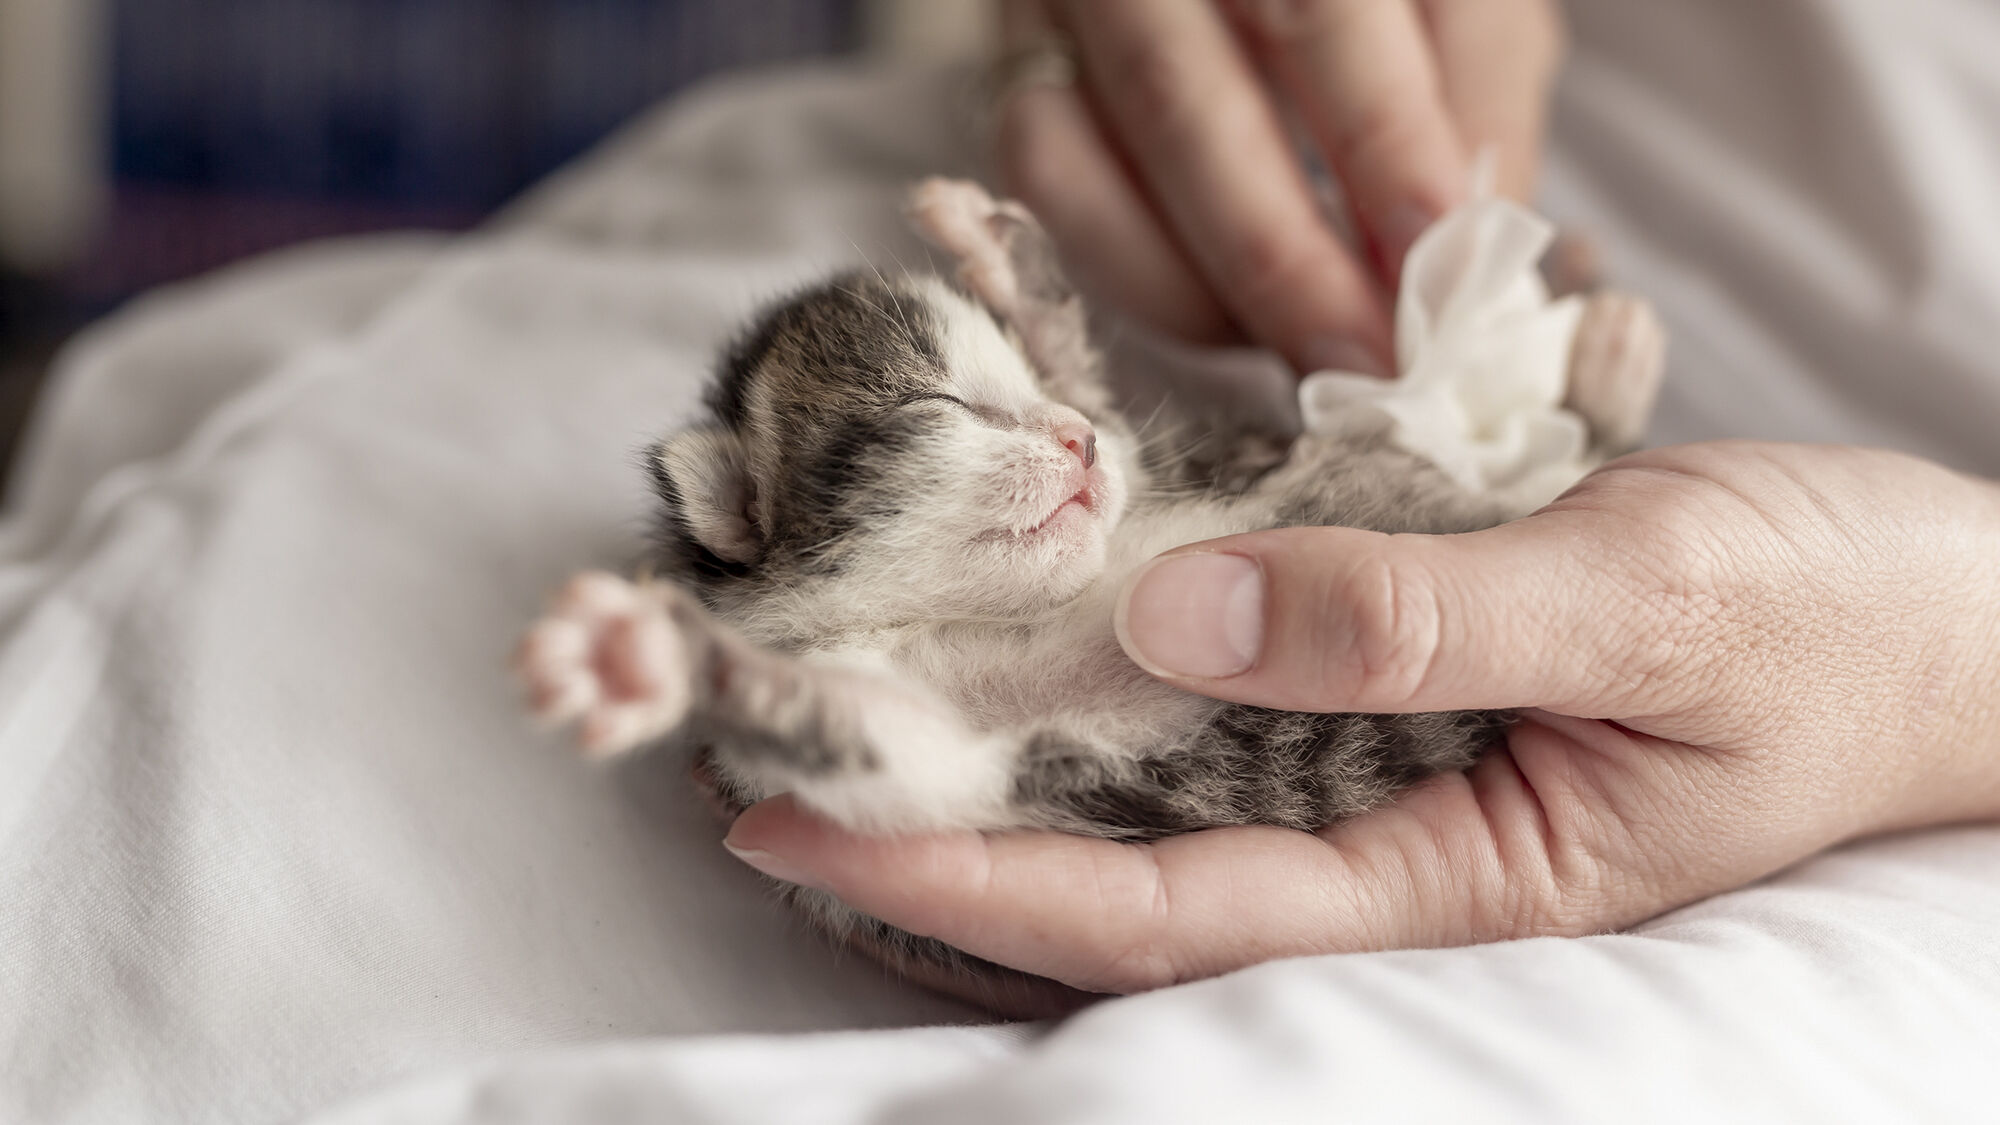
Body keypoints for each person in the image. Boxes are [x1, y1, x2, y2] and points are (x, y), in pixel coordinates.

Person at [721, 0, 2000, 997]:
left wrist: (1953, 662)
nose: (1062, 432)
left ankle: (1561, 457)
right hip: (1176, 251)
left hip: (1825, 620)